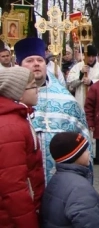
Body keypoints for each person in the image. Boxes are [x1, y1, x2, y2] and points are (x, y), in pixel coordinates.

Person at [14, 37, 92, 184]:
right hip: (22, 183)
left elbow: (84, 144)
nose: (36, 64)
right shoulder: (9, 100)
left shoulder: (67, 102)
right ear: (18, 65)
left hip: (60, 183)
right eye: (29, 60)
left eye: (40, 60)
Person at [0, 67, 45, 228]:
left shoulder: (17, 118)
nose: (37, 90)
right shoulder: (11, 127)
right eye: (33, 86)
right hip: (10, 218)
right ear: (18, 92)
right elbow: (13, 187)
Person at [40, 132, 99, 228]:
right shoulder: (81, 189)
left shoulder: (56, 178)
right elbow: (90, 223)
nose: (89, 153)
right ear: (74, 156)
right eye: (84, 150)